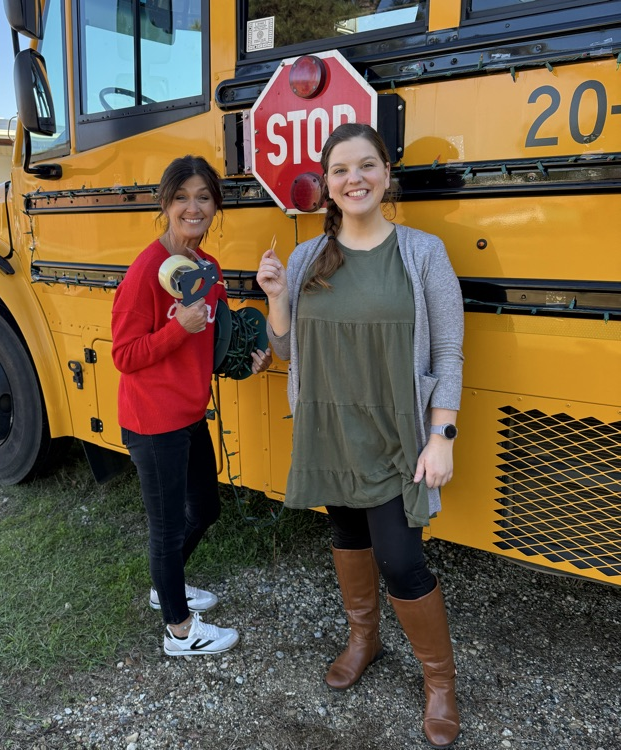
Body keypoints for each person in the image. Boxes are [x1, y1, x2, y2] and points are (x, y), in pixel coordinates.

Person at [256, 123, 464, 748]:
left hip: (398, 432)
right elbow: (289, 350)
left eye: (367, 165)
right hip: (329, 426)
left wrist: (443, 434)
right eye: (341, 170)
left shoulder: (422, 252)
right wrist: (274, 299)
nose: (355, 179)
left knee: (401, 560)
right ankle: (364, 638)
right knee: (346, 532)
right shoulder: (304, 258)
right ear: (326, 185)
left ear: (386, 174)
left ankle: (440, 681)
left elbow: (449, 349)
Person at [111, 155, 271, 657]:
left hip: (189, 413)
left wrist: (246, 362)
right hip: (152, 421)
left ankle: (168, 587)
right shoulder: (145, 273)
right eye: (181, 197)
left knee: (204, 507)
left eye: (203, 197)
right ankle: (180, 630)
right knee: (166, 524)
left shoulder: (207, 266)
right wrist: (176, 327)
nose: (192, 207)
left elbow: (211, 342)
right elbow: (124, 354)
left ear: (215, 206)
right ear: (166, 204)